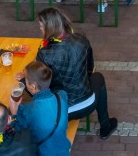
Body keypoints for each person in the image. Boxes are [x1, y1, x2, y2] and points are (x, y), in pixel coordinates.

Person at [35, 8, 118, 138]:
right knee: (99, 77)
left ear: (50, 28)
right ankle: (105, 126)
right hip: (89, 101)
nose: (40, 29)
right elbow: (90, 69)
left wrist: (24, 79)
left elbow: (41, 87)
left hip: (63, 109)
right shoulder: (81, 39)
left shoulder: (44, 53)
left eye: (41, 26)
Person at [11, 61, 72, 156]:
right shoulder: (62, 96)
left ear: (32, 86)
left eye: (26, 81)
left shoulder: (27, 110)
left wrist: (14, 112)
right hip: (64, 152)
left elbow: (15, 135)